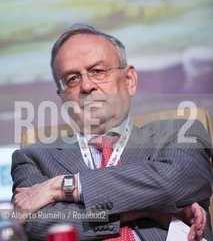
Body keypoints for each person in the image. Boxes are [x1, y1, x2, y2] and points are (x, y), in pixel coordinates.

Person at [12, 24, 212, 241]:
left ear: (129, 80)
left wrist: (62, 187)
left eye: (97, 71)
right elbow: (38, 225)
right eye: (72, 79)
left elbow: (177, 181)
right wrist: (147, 210)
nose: (86, 86)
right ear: (61, 95)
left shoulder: (182, 131)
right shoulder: (34, 157)